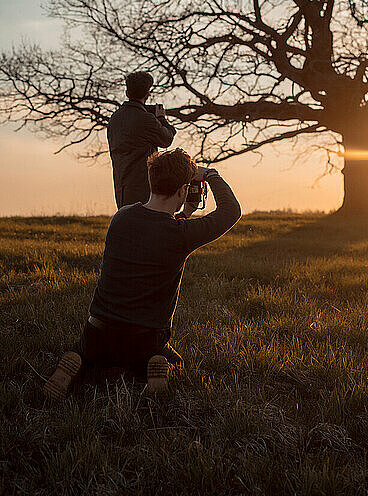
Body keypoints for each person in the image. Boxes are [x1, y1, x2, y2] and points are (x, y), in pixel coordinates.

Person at [43, 148, 241, 398]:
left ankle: (79, 359)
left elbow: (153, 231)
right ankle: (152, 365)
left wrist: (185, 213)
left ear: (152, 181)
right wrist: (210, 174)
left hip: (98, 332)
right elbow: (230, 211)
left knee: (87, 351)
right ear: (183, 190)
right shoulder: (181, 235)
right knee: (167, 360)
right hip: (144, 339)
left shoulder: (121, 218)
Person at [107, 71, 176, 208]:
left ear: (127, 93)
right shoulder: (146, 119)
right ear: (147, 94)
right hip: (144, 189)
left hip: (122, 187)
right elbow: (167, 139)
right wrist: (161, 118)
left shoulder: (114, 119)